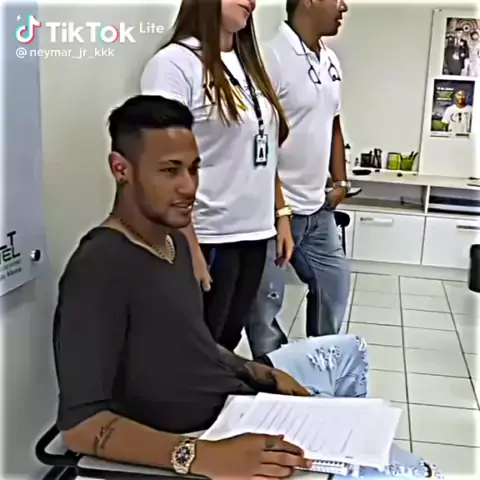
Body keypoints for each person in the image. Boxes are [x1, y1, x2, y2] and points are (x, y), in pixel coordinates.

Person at [54, 95, 441, 479]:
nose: (189, 187)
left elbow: (196, 345)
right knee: (419, 474)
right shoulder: (100, 266)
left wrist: (259, 372)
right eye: (170, 171)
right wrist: (202, 456)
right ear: (121, 169)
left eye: (194, 169)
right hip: (206, 433)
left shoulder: (174, 245)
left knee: (348, 350)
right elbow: (82, 426)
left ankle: (342, 449)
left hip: (239, 402)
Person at [140, 0, 294, 352]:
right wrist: (189, 247)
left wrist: (281, 213)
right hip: (208, 236)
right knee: (196, 350)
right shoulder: (174, 64)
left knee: (226, 344)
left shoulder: (247, 63)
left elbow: (262, 148)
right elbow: (161, 166)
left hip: (254, 235)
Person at [246, 0, 351, 357]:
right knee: (265, 307)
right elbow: (258, 141)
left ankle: (317, 366)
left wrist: (340, 181)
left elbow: (333, 123)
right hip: (272, 212)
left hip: (317, 208)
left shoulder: (329, 60)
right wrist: (280, 211)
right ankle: (275, 374)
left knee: (333, 286)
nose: (343, 7)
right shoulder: (270, 58)